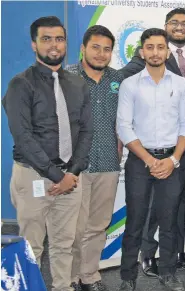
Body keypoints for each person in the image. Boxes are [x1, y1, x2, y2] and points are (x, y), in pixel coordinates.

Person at [3, 16, 92, 291]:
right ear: (34, 44)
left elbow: (86, 132)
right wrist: (57, 176)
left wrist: (72, 173)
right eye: (46, 39)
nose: (54, 45)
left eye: (59, 39)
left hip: (70, 177)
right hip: (33, 177)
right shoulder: (20, 85)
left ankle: (62, 287)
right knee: (31, 247)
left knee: (64, 245)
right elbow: (23, 138)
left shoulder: (78, 84)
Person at [120, 7, 185, 276]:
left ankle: (174, 258)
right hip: (146, 153)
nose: (180, 27)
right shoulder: (136, 73)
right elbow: (124, 118)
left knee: (175, 205)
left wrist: (174, 159)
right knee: (143, 213)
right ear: (144, 50)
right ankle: (144, 258)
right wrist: (151, 159)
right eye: (174, 23)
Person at [66, 24, 124, 291]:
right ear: (83, 49)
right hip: (73, 167)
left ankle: (89, 275)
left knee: (98, 225)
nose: (101, 54)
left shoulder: (118, 80)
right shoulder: (66, 77)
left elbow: (124, 120)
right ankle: (69, 277)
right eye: (95, 47)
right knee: (72, 228)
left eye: (107, 49)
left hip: (109, 163)